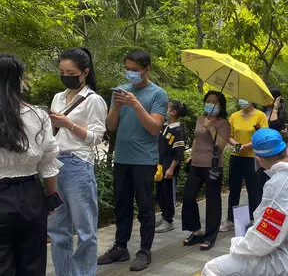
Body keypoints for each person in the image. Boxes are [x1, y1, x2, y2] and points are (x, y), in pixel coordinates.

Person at [201, 128, 288, 276]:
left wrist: (237, 244)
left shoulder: (281, 184)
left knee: (212, 268)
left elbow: (262, 241)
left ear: (259, 158)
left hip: (284, 263)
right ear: (285, 149)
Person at [98, 50, 168, 271]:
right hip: (122, 158)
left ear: (147, 69)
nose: (130, 74)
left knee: (146, 207)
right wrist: (117, 106)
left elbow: (154, 127)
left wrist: (136, 104)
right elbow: (110, 126)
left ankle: (144, 251)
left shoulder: (158, 94)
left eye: (135, 70)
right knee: (122, 205)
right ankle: (120, 247)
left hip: (144, 160)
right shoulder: (120, 91)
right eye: (127, 69)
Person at [47, 48, 108, 276]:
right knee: (57, 230)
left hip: (77, 165)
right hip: (54, 166)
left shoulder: (94, 100)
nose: (65, 75)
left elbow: (96, 137)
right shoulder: (58, 97)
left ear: (84, 73)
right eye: (62, 71)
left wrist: (68, 124)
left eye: (70, 72)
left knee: (85, 230)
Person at [0, 53, 61, 276]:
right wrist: (51, 197)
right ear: (19, 80)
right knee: (32, 262)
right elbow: (48, 162)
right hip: (30, 196)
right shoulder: (38, 115)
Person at [181, 91, 230, 251]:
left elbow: (221, 146)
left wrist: (211, 129)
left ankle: (210, 236)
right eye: (208, 101)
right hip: (196, 164)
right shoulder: (200, 119)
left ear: (221, 106)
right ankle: (196, 230)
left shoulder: (223, 123)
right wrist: (190, 155)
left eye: (214, 102)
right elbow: (196, 139)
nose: (210, 104)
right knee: (188, 197)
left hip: (213, 166)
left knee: (212, 201)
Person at [219, 99, 268, 232]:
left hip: (253, 157)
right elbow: (229, 135)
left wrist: (247, 146)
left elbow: (263, 135)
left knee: (253, 190)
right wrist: (236, 145)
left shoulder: (260, 116)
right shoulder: (234, 116)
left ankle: (254, 219)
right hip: (236, 156)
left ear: (252, 99)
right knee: (234, 189)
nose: (241, 100)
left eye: (245, 97)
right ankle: (230, 219)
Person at [155, 100, 187, 234]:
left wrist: (171, 169)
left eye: (166, 108)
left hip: (169, 169)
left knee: (168, 193)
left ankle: (169, 220)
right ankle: (164, 215)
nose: (163, 111)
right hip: (160, 167)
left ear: (173, 112)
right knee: (161, 193)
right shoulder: (165, 127)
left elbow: (179, 153)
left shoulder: (177, 130)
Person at [258, 88, 286, 205]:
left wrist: (275, 108)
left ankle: (273, 204)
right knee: (260, 179)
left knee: (272, 178)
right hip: (261, 149)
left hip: (274, 151)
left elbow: (274, 125)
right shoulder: (261, 112)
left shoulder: (281, 112)